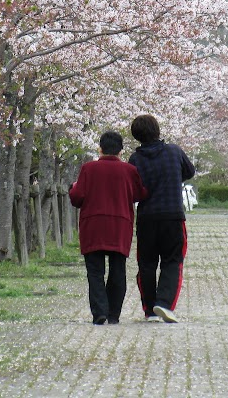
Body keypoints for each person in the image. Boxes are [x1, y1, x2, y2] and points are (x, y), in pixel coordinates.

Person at [70, 131, 148, 325]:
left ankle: (99, 312)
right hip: (120, 225)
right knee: (117, 270)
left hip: (93, 225)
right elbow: (140, 194)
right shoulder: (129, 171)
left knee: (95, 271)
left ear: (100, 148)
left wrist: (72, 187)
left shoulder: (88, 169)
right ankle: (113, 313)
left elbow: (77, 197)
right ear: (121, 151)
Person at [128, 114, 195, 323]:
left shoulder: (135, 159)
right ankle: (164, 304)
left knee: (146, 263)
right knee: (173, 260)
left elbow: (134, 188)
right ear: (157, 129)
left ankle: (149, 310)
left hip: (147, 218)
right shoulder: (174, 151)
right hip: (172, 216)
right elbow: (189, 171)